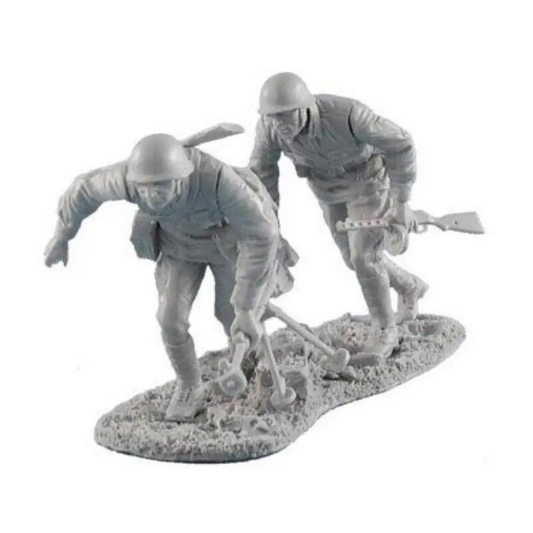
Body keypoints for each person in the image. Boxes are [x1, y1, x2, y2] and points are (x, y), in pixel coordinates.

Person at [45, 133, 282, 420]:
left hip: (225, 247)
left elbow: (263, 234)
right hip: (178, 249)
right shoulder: (128, 178)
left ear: (181, 178)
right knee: (170, 320)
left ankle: (250, 361)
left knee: (231, 316)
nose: (151, 197)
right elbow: (84, 190)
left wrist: (246, 305)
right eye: (144, 190)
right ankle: (189, 385)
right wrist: (62, 236)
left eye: (161, 188)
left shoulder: (218, 179)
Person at [249, 72, 429, 365]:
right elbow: (262, 174)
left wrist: (401, 202)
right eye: (273, 116)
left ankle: (385, 328)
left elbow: (401, 144)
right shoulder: (269, 128)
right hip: (326, 191)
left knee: (364, 257)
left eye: (286, 115)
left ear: (304, 107)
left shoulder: (348, 115)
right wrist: (272, 228)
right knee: (352, 258)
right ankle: (409, 285)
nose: (279, 123)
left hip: (367, 184)